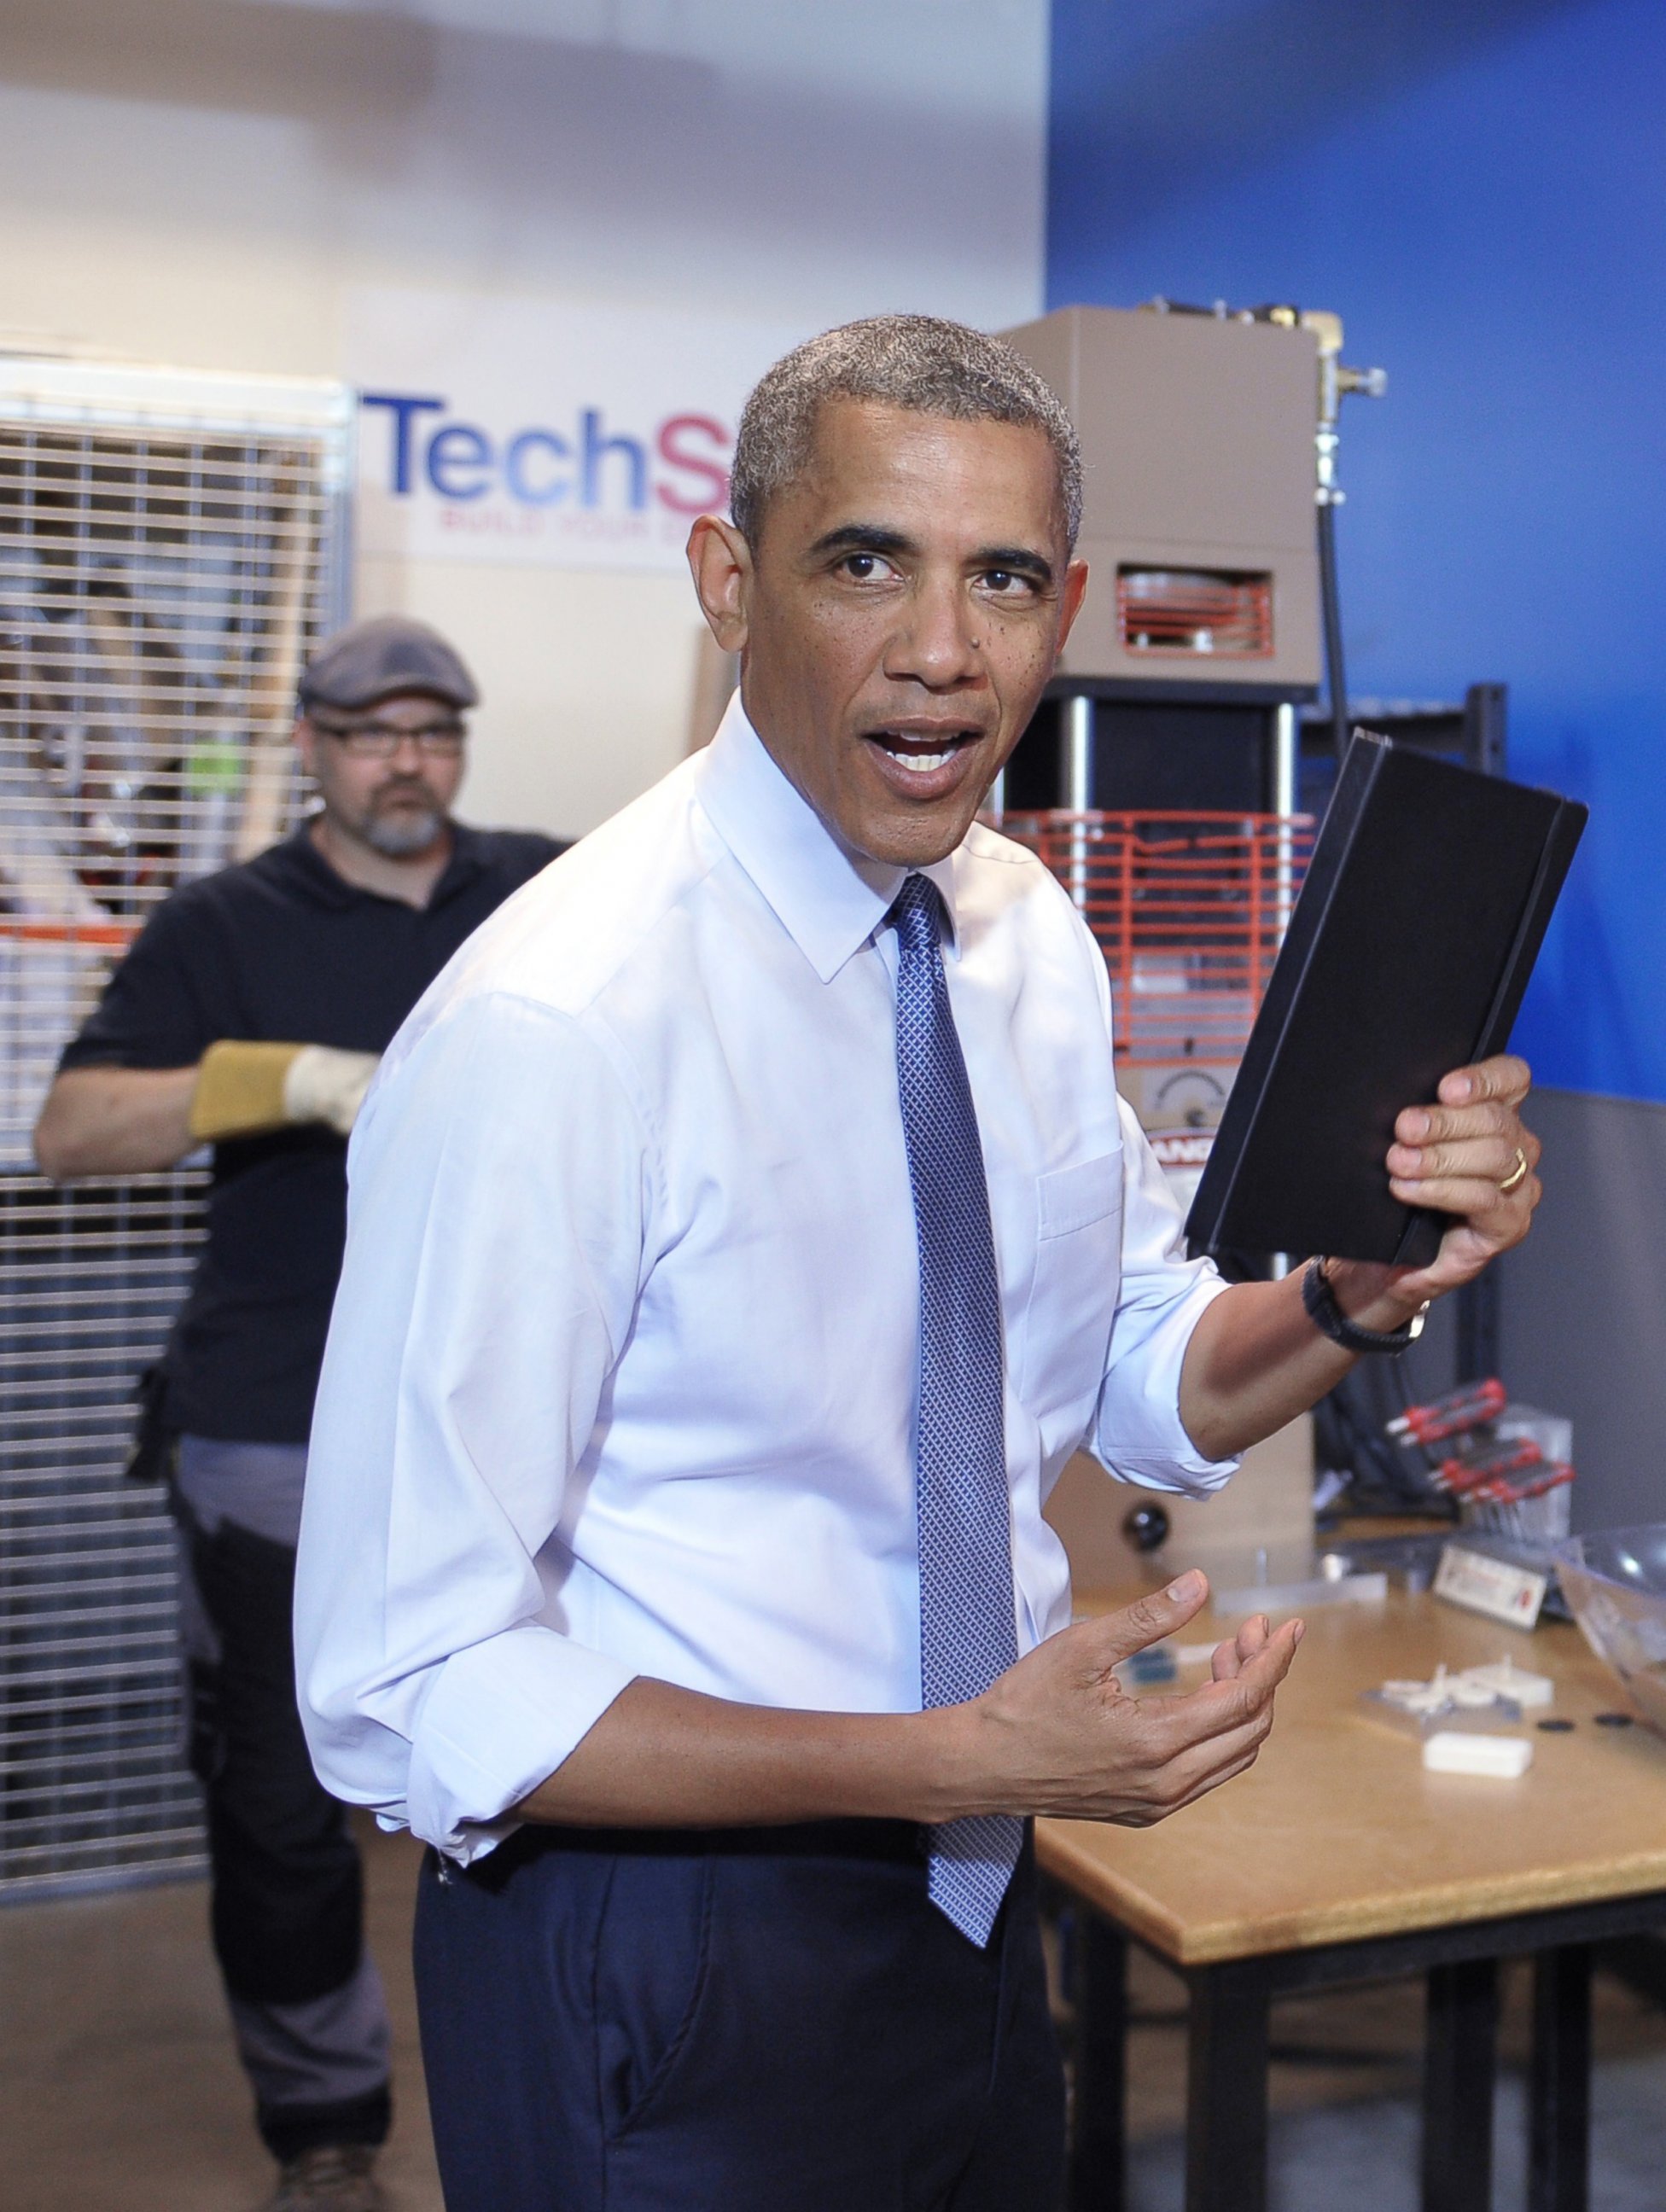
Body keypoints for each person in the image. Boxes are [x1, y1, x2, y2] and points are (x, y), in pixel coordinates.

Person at [294, 320, 1542, 2211]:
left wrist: (1355, 1297)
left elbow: (1129, 1360)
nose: (942, 648)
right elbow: (410, 1677)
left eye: (1005, 580)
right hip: (658, 1941)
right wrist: (939, 1747)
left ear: (1073, 616)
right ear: (730, 582)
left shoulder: (1021, 932)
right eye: (864, 560)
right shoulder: (557, 1027)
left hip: (969, 1891)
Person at [33, 616, 566, 2212]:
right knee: (278, 1798)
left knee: (557, 1763)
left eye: (430, 730)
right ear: (312, 748)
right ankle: (325, 2129)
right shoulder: (220, 922)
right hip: (281, 1420)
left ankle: (562, 2072)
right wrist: (287, 1082)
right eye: (365, 732)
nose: (402, 759)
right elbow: (70, 1128)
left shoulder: (544, 891)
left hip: (518, 1418)